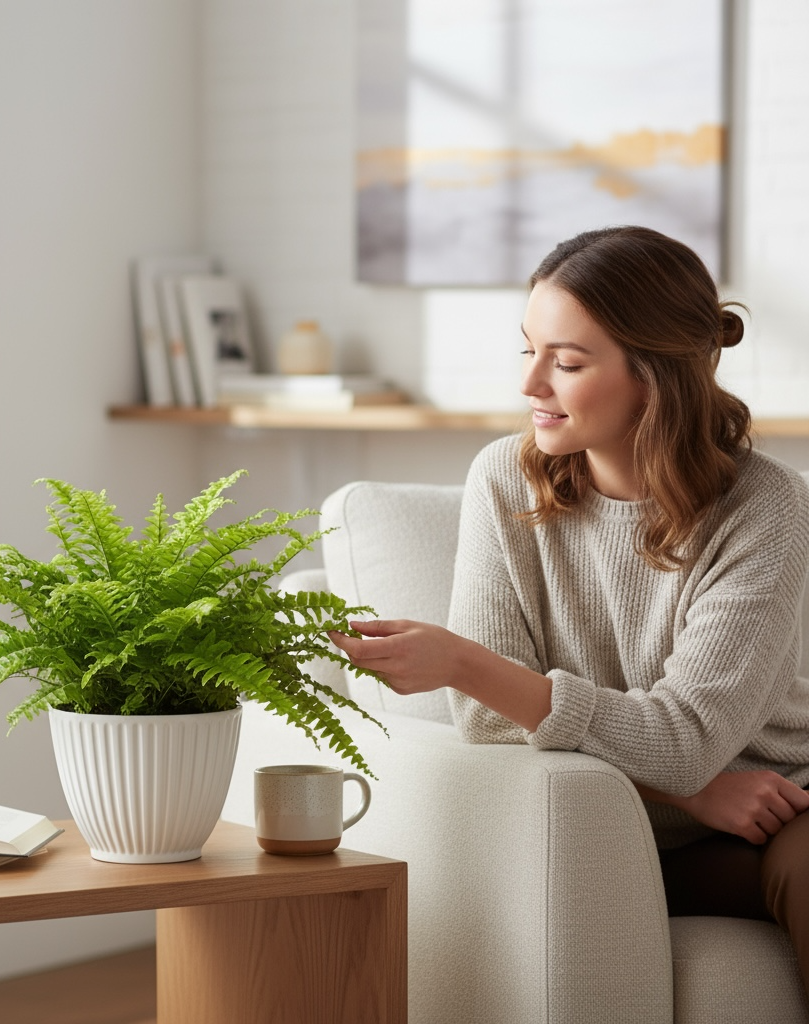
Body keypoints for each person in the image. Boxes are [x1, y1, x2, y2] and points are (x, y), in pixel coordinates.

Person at [329, 224, 809, 994]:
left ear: (654, 378)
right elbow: (487, 722)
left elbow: (686, 736)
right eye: (530, 349)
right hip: (597, 825)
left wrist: (462, 661)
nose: (530, 385)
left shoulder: (767, 507)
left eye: (569, 362)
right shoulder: (504, 480)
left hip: (775, 812)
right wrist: (685, 790)